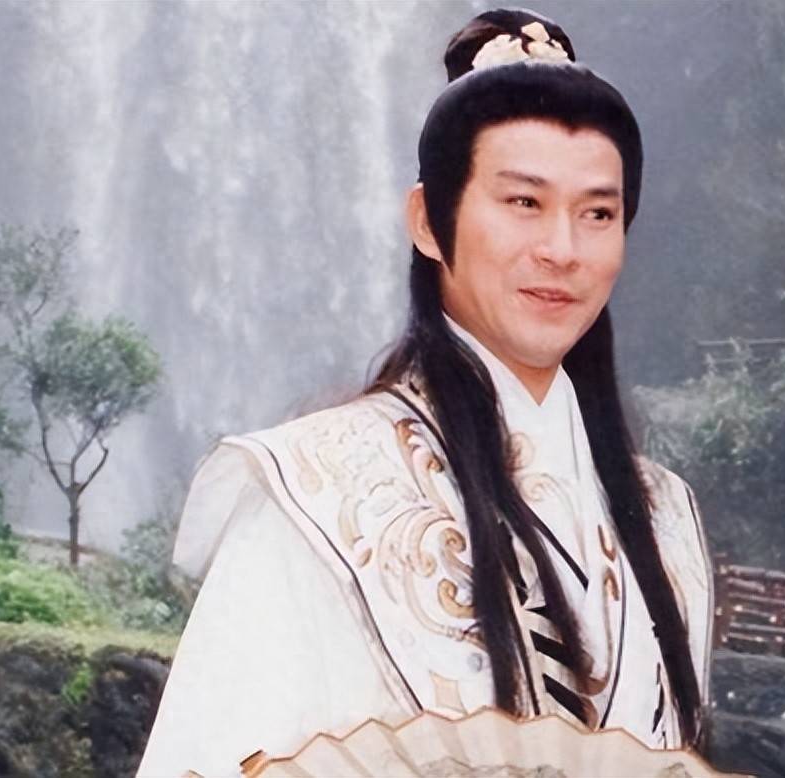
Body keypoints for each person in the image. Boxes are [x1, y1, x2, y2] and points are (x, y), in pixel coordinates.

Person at [136, 8, 713, 776]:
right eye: (524, 203)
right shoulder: (318, 496)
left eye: (598, 213)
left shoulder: (665, 518)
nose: (562, 249)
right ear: (428, 221)